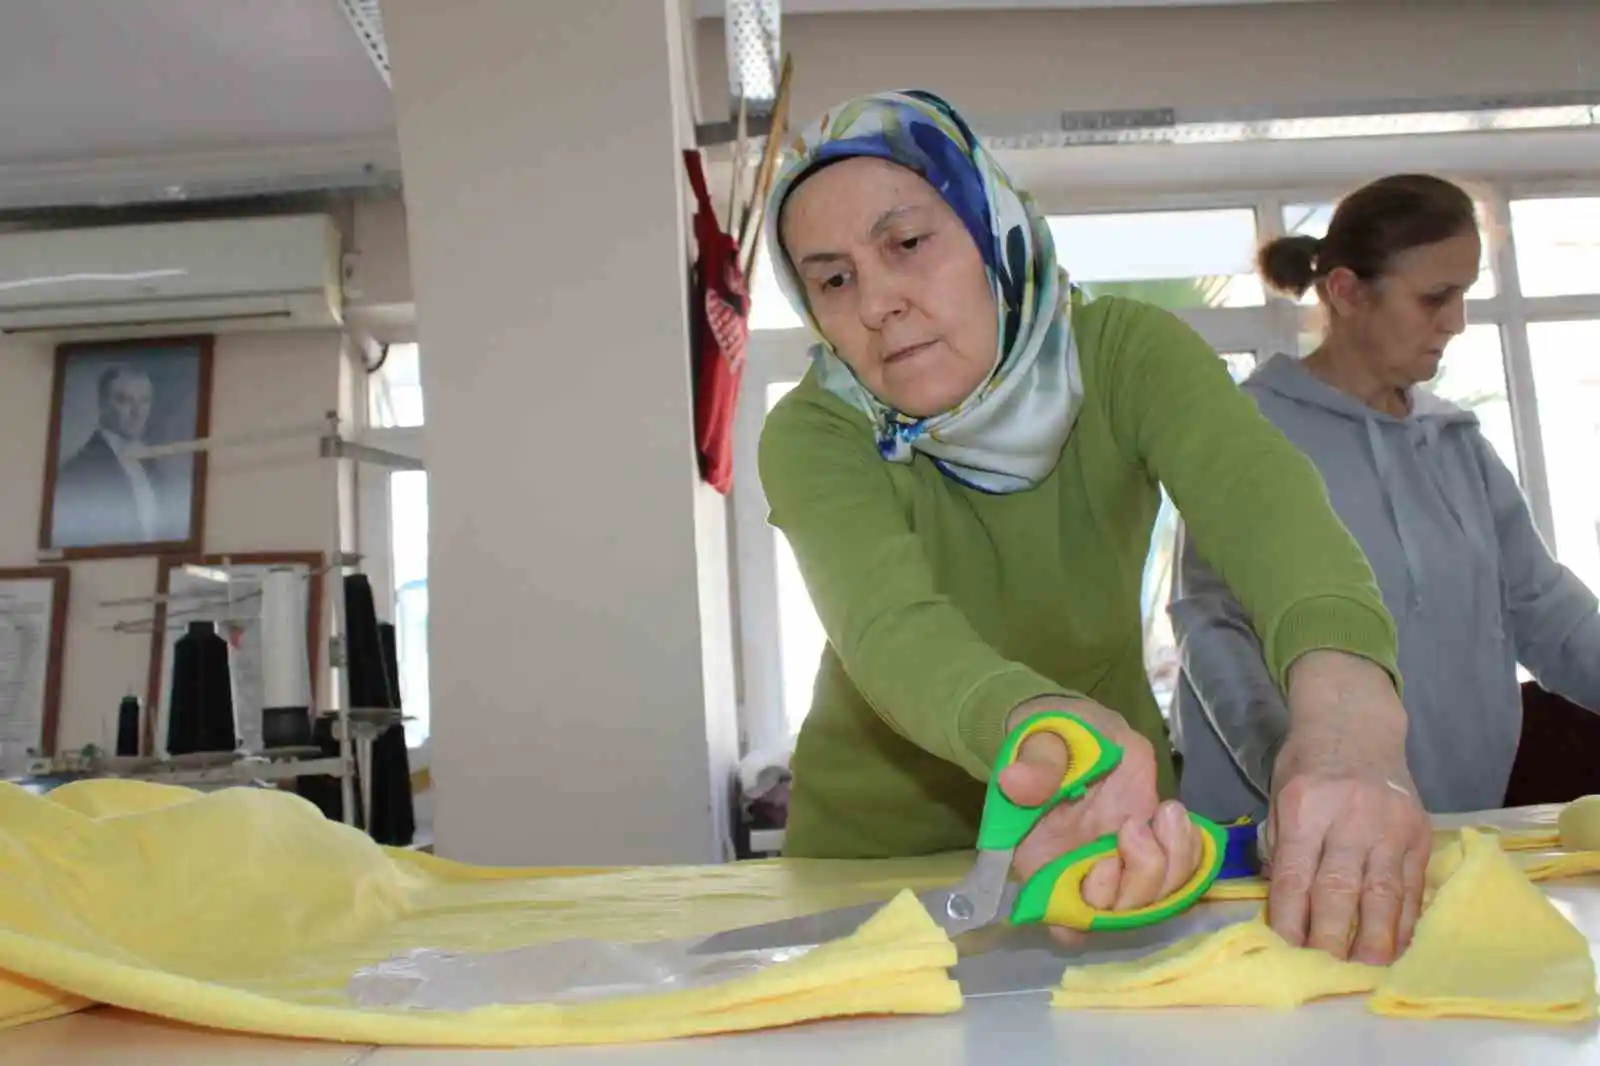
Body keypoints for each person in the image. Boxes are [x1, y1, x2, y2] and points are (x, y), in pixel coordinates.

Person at [757, 89, 1430, 965]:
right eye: (834, 278)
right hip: (875, 861)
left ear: (988, 224)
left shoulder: (1127, 354)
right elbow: (888, 629)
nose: (878, 300)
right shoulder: (814, 431)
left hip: (1107, 823)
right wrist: (1034, 729)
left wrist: (1350, 731)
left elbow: (1273, 518)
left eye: (908, 242)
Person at [1170, 173, 1600, 829]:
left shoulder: (1456, 447)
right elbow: (1213, 629)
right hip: (1278, 837)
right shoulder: (1248, 434)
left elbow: (1548, 612)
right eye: (1436, 296)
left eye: (1464, 295)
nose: (1456, 322)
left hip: (1450, 828)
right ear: (1345, 292)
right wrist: (1301, 777)